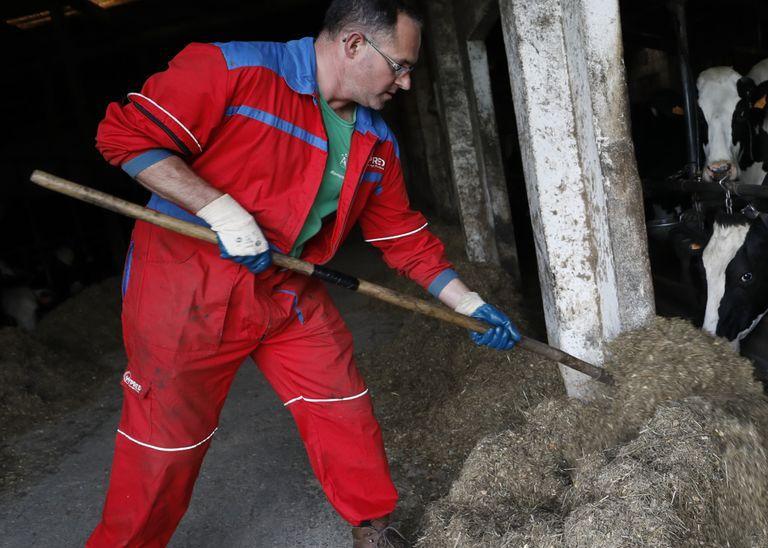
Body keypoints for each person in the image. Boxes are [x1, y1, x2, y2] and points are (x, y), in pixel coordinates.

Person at [87, 1, 518, 546]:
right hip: (187, 289)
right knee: (165, 443)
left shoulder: (376, 142)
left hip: (286, 287)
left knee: (342, 403)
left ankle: (372, 529)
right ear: (355, 44)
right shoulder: (233, 70)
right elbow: (124, 137)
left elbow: (400, 236)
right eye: (401, 66)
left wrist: (468, 303)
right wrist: (220, 210)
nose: (406, 85)